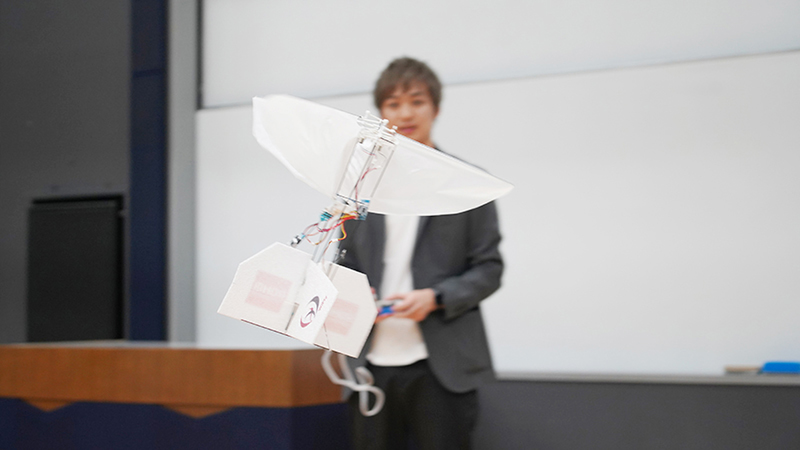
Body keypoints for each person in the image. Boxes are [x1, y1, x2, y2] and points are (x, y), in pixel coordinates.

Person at [338, 57, 504, 450]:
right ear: (381, 114)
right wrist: (355, 298)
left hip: (442, 365)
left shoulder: (468, 184)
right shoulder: (362, 187)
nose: (405, 113)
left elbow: (489, 268)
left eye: (416, 101)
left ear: (436, 108)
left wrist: (436, 298)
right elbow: (345, 265)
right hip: (370, 363)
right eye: (393, 104)